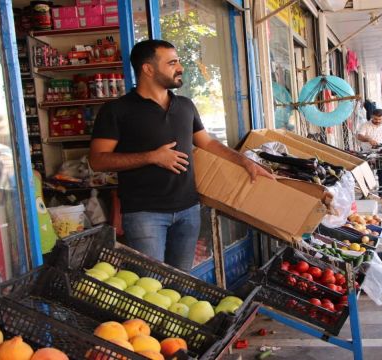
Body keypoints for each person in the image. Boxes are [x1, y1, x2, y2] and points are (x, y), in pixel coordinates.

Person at [89, 40, 273, 271]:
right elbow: (97, 160)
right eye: (172, 62)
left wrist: (245, 162)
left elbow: (207, 143)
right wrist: (152, 157)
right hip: (144, 214)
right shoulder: (117, 110)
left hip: (188, 210)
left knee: (181, 282)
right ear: (148, 69)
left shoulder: (186, 105)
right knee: (150, 286)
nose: (180, 67)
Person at [357, 108, 382, 197]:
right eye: (375, 119)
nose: (377, 121)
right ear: (372, 117)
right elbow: (359, 136)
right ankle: (365, 193)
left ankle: (381, 193)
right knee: (367, 172)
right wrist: (368, 139)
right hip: (368, 152)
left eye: (379, 119)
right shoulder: (365, 125)